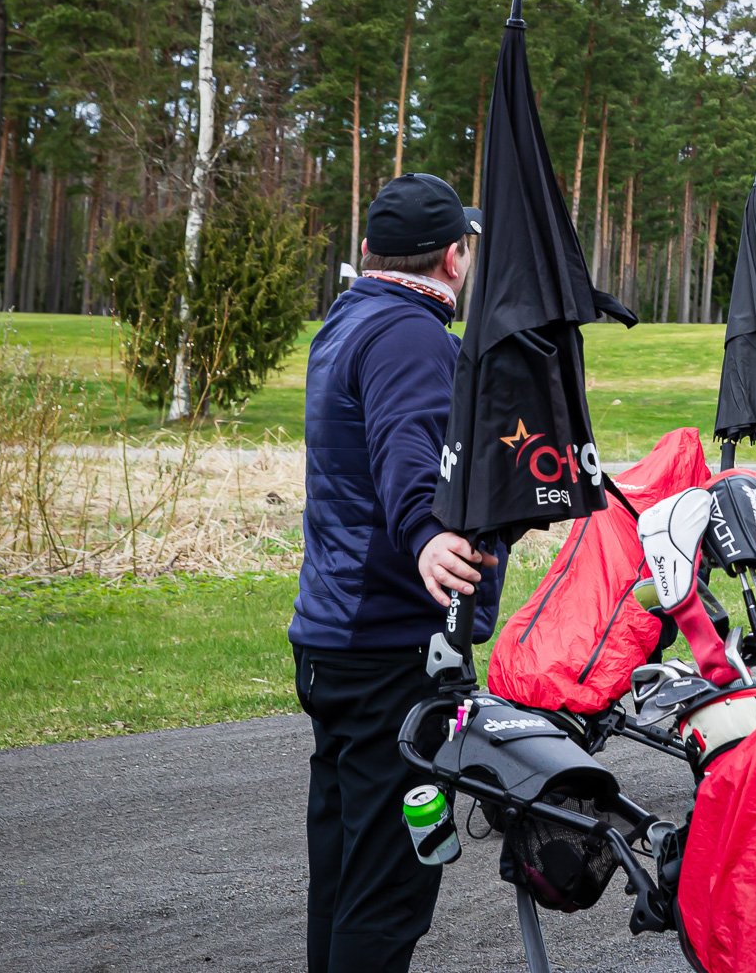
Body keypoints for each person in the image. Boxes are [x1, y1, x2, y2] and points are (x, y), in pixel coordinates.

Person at [289, 173, 506, 971]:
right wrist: (426, 537)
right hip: (391, 651)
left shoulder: (347, 321)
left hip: (336, 642)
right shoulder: (410, 337)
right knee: (386, 895)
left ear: (370, 251)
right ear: (453, 257)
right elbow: (409, 452)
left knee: (344, 878)